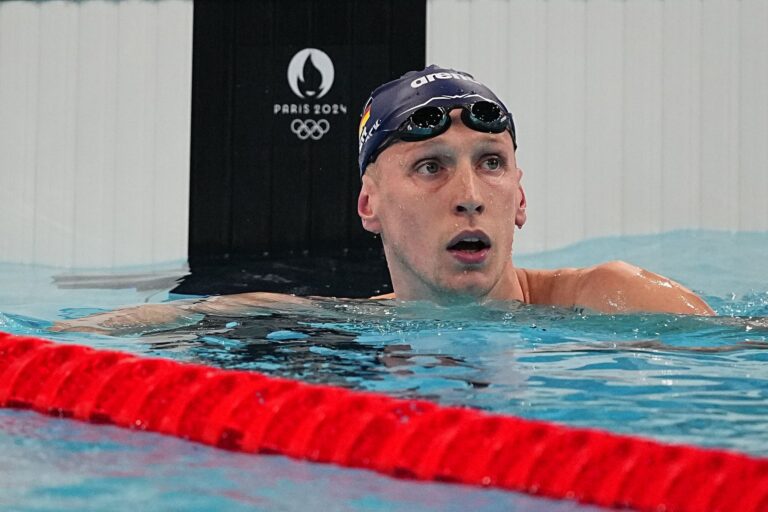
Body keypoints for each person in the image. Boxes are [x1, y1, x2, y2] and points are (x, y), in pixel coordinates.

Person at [52, 65, 713, 334]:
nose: (469, 197)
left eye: (491, 165)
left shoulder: (616, 297)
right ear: (368, 206)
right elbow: (122, 331)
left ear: (520, 200)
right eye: (430, 167)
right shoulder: (351, 323)